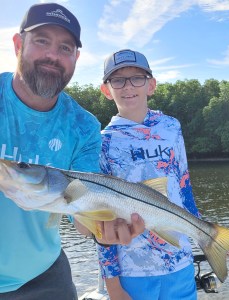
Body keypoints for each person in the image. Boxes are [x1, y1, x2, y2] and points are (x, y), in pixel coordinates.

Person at [0, 5, 144, 300]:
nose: (53, 55)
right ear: (18, 45)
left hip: (44, 275)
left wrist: (102, 230)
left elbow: (79, 207)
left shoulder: (84, 126)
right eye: (41, 40)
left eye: (65, 47)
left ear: (76, 58)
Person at [97, 49, 201, 300]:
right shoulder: (103, 142)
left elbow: (183, 186)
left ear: (151, 85)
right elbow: (101, 220)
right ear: (106, 90)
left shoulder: (172, 127)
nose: (128, 86)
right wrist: (113, 286)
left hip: (180, 263)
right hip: (132, 271)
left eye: (137, 78)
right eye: (118, 80)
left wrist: (206, 235)